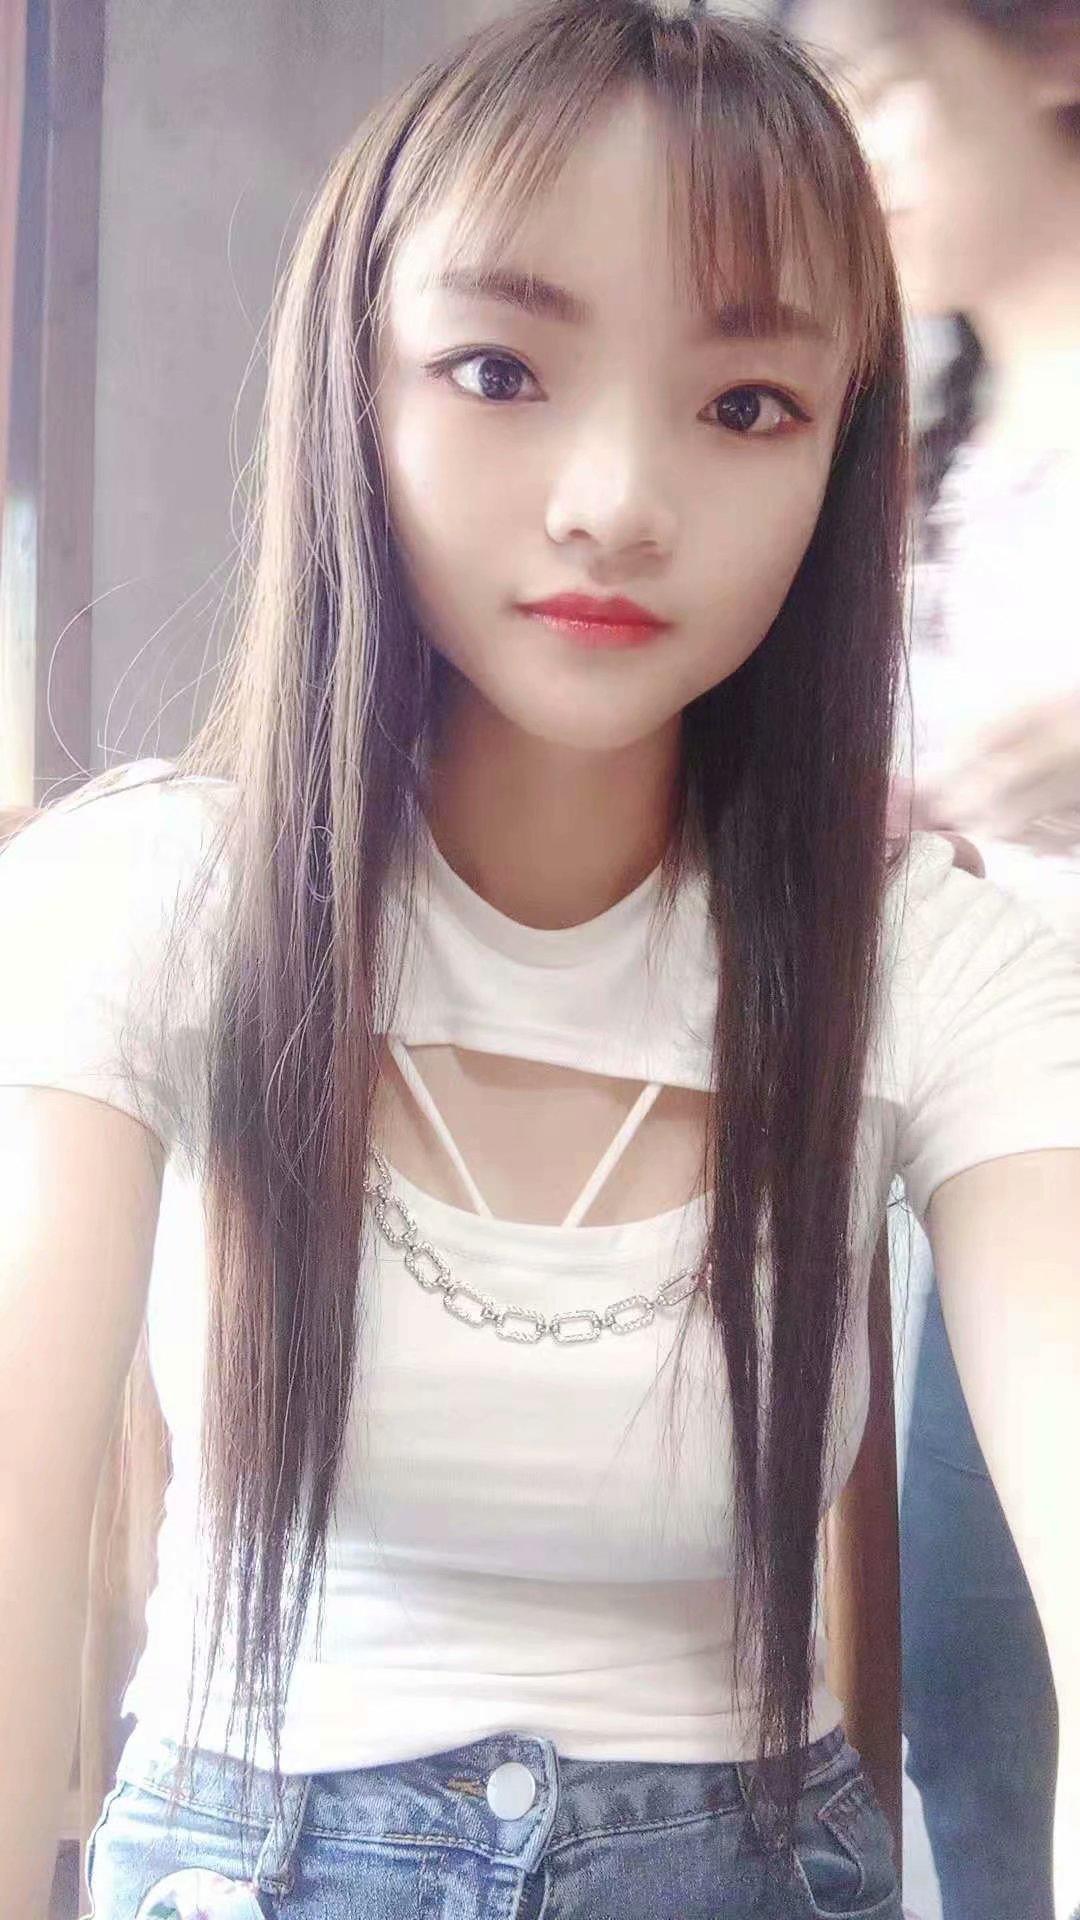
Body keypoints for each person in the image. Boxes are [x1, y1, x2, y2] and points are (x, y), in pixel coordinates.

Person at [1, 3, 1079, 1916]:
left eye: (745, 407)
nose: (616, 500)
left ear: (839, 456)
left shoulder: (930, 959)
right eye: (499, 368)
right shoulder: (150, 895)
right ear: (355, 385)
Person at [777, 1, 1080, 1911]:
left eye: (885, 83)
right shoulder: (932, 433)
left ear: (1046, 46)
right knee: (975, 1717)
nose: (857, 155)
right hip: (1009, 1154)